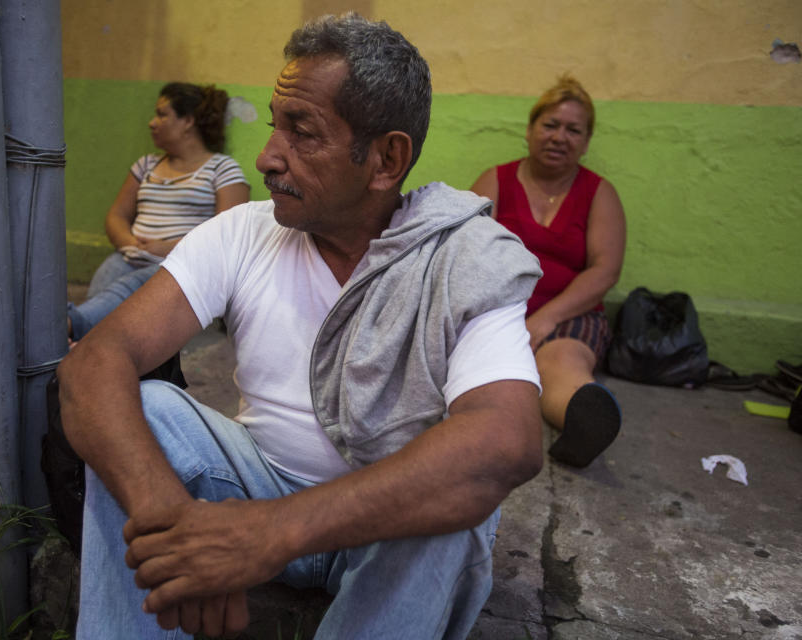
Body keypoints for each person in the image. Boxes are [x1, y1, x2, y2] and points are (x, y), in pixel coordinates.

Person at [58, 13, 544, 639]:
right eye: (273, 125)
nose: (267, 156)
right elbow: (97, 360)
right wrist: (173, 528)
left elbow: (508, 441)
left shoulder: (466, 258)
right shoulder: (245, 231)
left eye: (302, 132)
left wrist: (273, 531)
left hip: (385, 524)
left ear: (386, 158)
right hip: (253, 480)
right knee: (144, 410)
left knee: (456, 500)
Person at [470, 75, 627, 468]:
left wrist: (544, 320)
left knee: (561, 364)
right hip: (497, 308)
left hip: (569, 315)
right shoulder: (495, 181)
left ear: (586, 142)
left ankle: (583, 418)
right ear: (530, 129)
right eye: (550, 125)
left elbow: (605, 270)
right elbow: (464, 250)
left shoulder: (598, 193)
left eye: (574, 130)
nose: (560, 137)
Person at [85, 82, 250, 298]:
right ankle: (79, 327)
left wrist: (168, 248)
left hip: (182, 264)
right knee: (103, 292)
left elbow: (229, 233)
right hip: (130, 257)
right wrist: (130, 243)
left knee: (124, 293)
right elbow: (117, 215)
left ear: (188, 121)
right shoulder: (146, 165)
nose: (152, 123)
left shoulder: (222, 168)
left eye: (162, 115)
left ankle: (74, 323)